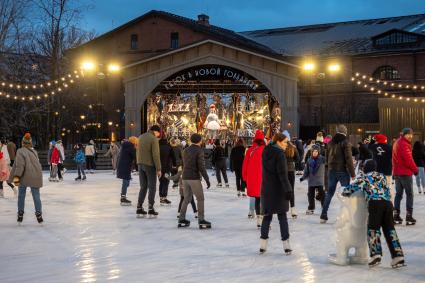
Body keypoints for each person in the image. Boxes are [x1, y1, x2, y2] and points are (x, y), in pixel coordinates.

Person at [341, 160, 405, 268]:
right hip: (388, 204)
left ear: (366, 167)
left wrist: (345, 192)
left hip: (375, 204)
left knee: (373, 229)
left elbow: (353, 187)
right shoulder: (382, 176)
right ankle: (398, 256)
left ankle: (376, 255)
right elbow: (388, 190)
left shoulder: (365, 177)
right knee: (390, 230)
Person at [259, 132, 292, 255]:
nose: (286, 145)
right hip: (279, 190)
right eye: (284, 142)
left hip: (267, 189)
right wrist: (288, 189)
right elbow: (283, 175)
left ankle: (263, 245)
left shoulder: (265, 151)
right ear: (278, 142)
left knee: (267, 217)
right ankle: (286, 245)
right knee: (282, 217)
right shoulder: (280, 154)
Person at [320, 124, 355, 224]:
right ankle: (347, 216)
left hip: (332, 171)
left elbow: (327, 157)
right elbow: (348, 159)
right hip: (342, 171)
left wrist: (328, 168)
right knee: (347, 193)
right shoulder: (346, 142)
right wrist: (352, 173)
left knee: (329, 193)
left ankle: (323, 215)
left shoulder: (330, 142)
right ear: (345, 132)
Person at [178, 133, 211, 229]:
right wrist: (207, 179)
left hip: (185, 177)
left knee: (186, 198)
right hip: (194, 178)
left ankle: (181, 218)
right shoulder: (199, 150)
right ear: (199, 141)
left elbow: (183, 164)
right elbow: (201, 166)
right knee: (200, 198)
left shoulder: (185, 150)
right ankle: (201, 219)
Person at [9, 133, 43, 223]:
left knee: (21, 195)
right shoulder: (34, 151)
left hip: (24, 176)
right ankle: (39, 213)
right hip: (36, 175)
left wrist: (16, 178)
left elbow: (20, 166)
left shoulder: (20, 151)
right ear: (30, 143)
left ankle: (20, 213)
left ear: (23, 142)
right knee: (36, 195)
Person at [392, 128, 418, 225]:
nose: (410, 136)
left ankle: (396, 215)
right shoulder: (404, 144)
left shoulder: (397, 143)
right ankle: (409, 216)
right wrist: (415, 169)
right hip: (405, 173)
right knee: (409, 194)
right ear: (404, 134)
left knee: (398, 194)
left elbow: (394, 159)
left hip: (397, 173)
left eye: (411, 135)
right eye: (408, 134)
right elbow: (408, 160)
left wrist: (394, 172)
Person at [136, 125, 162, 217]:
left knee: (143, 186)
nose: (159, 135)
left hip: (140, 164)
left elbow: (137, 151)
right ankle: (150, 208)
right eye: (159, 133)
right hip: (150, 165)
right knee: (152, 187)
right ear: (156, 131)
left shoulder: (141, 137)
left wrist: (138, 162)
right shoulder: (153, 139)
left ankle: (139, 207)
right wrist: (158, 168)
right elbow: (156, 155)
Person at [242, 130, 266, 228]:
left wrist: (244, 177)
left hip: (252, 178)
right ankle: (264, 219)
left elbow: (245, 165)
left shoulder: (250, 150)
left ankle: (259, 219)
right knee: (264, 199)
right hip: (264, 178)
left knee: (257, 198)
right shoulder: (265, 149)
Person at [300, 145, 325, 215]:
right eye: (313, 151)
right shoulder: (309, 160)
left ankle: (324, 207)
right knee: (310, 195)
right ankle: (311, 208)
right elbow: (306, 171)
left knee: (322, 194)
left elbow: (330, 161)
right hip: (311, 180)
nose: (315, 153)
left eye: (316, 151)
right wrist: (303, 177)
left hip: (320, 180)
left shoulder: (322, 159)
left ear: (318, 152)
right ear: (311, 152)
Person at [369, 134, 394, 201]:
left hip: (377, 170)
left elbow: (369, 146)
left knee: (377, 187)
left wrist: (373, 140)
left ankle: (379, 200)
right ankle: (388, 201)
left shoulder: (374, 146)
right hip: (387, 169)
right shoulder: (389, 147)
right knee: (388, 186)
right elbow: (393, 157)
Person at [117, 137, 138, 206]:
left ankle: (123, 196)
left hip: (124, 166)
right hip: (125, 166)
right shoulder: (130, 147)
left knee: (126, 182)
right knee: (125, 182)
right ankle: (123, 197)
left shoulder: (126, 146)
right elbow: (135, 157)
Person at [283, 130, 300, 219]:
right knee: (291, 189)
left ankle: (283, 208)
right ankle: (293, 209)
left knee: (282, 189)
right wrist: (291, 160)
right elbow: (298, 159)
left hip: (282, 171)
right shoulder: (293, 147)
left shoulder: (281, 147)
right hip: (290, 170)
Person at [158, 136, 176, 205]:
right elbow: (173, 157)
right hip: (167, 168)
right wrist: (174, 165)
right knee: (166, 182)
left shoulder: (157, 147)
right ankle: (164, 197)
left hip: (159, 169)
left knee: (161, 182)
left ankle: (161, 197)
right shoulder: (169, 147)